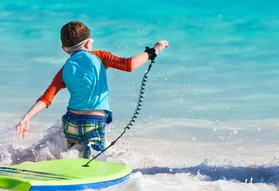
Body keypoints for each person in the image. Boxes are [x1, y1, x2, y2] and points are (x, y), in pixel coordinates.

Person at [16, 20, 169, 159]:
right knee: (95, 162)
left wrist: (27, 118)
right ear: (89, 44)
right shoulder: (99, 56)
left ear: (64, 49)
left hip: (71, 123)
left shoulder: (64, 70)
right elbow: (129, 65)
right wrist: (154, 51)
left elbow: (46, 98)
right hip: (93, 124)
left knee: (69, 156)